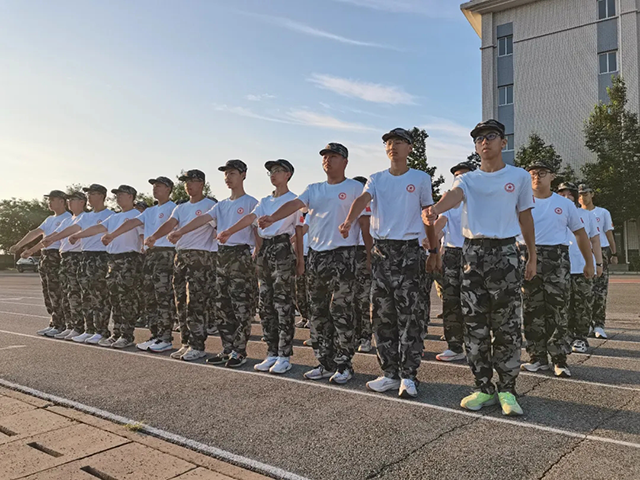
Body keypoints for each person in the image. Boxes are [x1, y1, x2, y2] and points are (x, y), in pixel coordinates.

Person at [423, 120, 536, 415]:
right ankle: (483, 387)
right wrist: (435, 209)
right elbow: (453, 197)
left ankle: (507, 390)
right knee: (475, 325)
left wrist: (532, 256)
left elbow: (525, 217)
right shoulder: (468, 179)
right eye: (479, 138)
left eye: (491, 136)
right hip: (472, 255)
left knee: (507, 325)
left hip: (506, 253)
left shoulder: (519, 177)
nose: (484, 142)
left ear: (503, 142)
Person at [340, 128, 437, 398]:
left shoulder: (420, 178)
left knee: (410, 317)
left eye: (399, 142)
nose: (393, 146)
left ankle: (409, 375)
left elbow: (428, 214)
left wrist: (433, 250)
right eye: (389, 143)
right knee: (382, 317)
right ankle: (390, 373)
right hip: (382, 253)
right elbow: (363, 199)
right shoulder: (376, 179)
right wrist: (348, 220)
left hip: (409, 252)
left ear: (410, 148)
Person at [259, 143, 367, 384]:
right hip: (317, 257)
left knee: (341, 310)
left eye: (334, 156)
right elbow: (294, 205)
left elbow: (365, 222)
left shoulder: (355, 187)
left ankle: (344, 364)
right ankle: (324, 362)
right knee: (317, 312)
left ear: (345, 162)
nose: (328, 160)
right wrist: (273, 217)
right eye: (325, 157)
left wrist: (369, 254)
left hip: (344, 255)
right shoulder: (313, 189)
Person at [167, 161, 258, 368]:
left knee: (240, 305)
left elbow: (256, 231)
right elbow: (202, 219)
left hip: (240, 255)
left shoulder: (251, 202)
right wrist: (180, 231)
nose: (228, 178)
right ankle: (227, 348)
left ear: (243, 175)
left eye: (232, 173)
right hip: (221, 256)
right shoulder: (222, 205)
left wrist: (257, 256)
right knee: (222, 306)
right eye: (226, 174)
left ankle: (239, 351)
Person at [216, 159, 303, 374]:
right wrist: (229, 231)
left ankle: (284, 355)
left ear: (288, 175)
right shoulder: (264, 200)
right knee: (266, 305)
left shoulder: (294, 200)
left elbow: (299, 232)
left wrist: (300, 260)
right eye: (271, 171)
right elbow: (251, 218)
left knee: (283, 304)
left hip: (283, 248)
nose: (273, 174)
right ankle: (271, 352)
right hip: (266, 250)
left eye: (278, 170)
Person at [519, 163, 594, 378]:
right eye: (533, 174)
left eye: (542, 173)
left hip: (556, 258)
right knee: (532, 309)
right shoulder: (520, 201)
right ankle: (537, 357)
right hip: (528, 257)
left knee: (558, 309)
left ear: (552, 176)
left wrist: (589, 262)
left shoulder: (564, 204)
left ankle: (559, 359)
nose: (537, 177)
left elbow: (580, 234)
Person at [145, 170, 217, 361]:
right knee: (180, 302)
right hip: (181, 256)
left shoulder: (210, 205)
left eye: (192, 181)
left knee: (196, 302)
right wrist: (154, 237)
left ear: (201, 183)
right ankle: (186, 342)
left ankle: (197, 345)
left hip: (200, 257)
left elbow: (217, 228)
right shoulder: (181, 207)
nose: (188, 185)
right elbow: (170, 224)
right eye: (186, 182)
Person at [102, 176, 177, 353]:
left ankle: (165, 337)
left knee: (163, 297)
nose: (155, 189)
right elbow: (133, 223)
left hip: (166, 253)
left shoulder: (173, 208)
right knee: (150, 298)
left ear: (168, 189)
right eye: (154, 186)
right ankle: (155, 334)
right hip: (150, 255)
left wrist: (154, 237)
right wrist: (112, 235)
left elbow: (170, 225)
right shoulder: (150, 211)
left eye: (159, 186)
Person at [69, 185, 143, 349]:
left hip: (129, 259)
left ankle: (126, 335)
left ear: (131, 197)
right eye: (117, 195)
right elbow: (98, 228)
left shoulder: (137, 215)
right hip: (113, 260)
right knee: (115, 299)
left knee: (127, 299)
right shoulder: (115, 217)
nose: (118, 198)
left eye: (122, 195)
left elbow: (143, 236)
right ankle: (116, 333)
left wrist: (144, 250)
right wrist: (77, 235)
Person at [24, 192, 89, 340]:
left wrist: (36, 247)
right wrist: (30, 250)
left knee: (70, 294)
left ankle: (73, 326)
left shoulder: (78, 218)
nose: (49, 202)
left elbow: (58, 236)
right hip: (60, 257)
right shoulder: (62, 219)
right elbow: (48, 237)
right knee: (58, 293)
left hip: (72, 257)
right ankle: (62, 324)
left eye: (52, 200)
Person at [9, 190, 71, 337]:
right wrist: (19, 245)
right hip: (46, 256)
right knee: (47, 291)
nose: (49, 202)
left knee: (57, 291)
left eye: (52, 199)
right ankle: (54, 322)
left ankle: (61, 324)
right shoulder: (49, 219)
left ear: (62, 201)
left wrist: (31, 250)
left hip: (56, 255)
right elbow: (36, 232)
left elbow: (49, 240)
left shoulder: (67, 218)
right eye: (49, 200)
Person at [432, 161, 477, 362]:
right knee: (451, 301)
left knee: (475, 301)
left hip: (474, 253)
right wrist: (429, 237)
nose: (460, 179)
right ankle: (455, 346)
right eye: (457, 176)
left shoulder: (479, 202)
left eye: (464, 175)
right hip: (452, 254)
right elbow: (440, 225)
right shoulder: (449, 204)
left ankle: (477, 346)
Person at [557, 182, 603, 354]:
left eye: (570, 194)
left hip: (582, 266)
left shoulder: (586, 215)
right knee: (562, 305)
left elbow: (595, 240)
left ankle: (580, 338)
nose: (566, 197)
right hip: (560, 267)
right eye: (562, 194)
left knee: (583, 305)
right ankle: (565, 337)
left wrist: (598, 263)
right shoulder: (554, 212)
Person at [578, 184, 616, 339]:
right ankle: (585, 323)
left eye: (586, 194)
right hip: (582, 252)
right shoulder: (575, 213)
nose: (583, 197)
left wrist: (614, 252)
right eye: (580, 194)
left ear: (592, 194)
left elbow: (608, 234)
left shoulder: (602, 212)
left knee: (600, 291)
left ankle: (599, 324)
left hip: (601, 250)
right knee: (584, 290)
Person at [351, 176, 374, 353]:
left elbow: (366, 230)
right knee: (349, 299)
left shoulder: (370, 206)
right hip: (347, 253)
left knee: (363, 299)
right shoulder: (347, 206)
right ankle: (354, 335)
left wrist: (369, 256)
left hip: (363, 252)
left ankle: (365, 336)